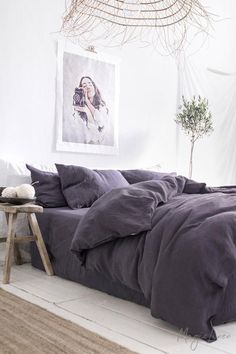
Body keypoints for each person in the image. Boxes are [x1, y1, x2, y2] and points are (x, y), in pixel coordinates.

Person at [73, 76, 109, 144]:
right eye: (84, 85)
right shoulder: (78, 111)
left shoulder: (102, 107)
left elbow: (101, 124)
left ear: (94, 87)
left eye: (90, 84)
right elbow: (90, 138)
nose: (88, 87)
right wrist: (87, 112)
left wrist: (88, 103)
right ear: (81, 91)